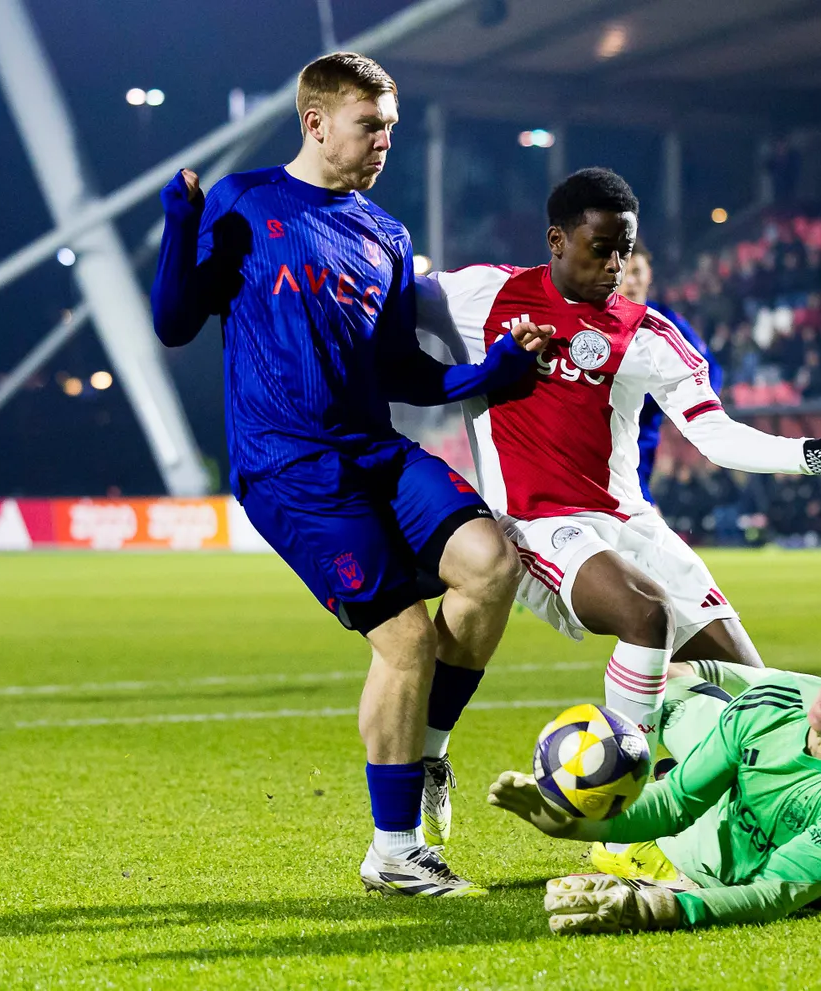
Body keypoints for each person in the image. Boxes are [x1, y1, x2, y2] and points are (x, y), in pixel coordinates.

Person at [149, 53, 554, 897]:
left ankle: (427, 752)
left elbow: (402, 368)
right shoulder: (243, 202)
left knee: (491, 563)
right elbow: (176, 322)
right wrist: (179, 224)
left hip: (373, 446)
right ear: (316, 121)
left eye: (391, 128)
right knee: (405, 636)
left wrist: (495, 374)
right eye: (371, 125)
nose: (384, 142)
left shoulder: (387, 235)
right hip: (288, 463)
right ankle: (395, 850)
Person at [420, 167, 821, 748]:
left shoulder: (648, 332)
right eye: (601, 250)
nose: (615, 267)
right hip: (539, 524)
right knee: (645, 616)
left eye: (624, 252)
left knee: (756, 690)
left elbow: (714, 435)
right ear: (557, 241)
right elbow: (384, 297)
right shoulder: (483, 294)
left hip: (631, 524)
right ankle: (633, 794)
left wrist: (812, 454)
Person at [486, 623, 821, 934]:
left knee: (628, 855)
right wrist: (570, 824)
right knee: (670, 698)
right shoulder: (779, 700)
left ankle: (679, 841)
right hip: (742, 760)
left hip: (789, 868)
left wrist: (658, 906)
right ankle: (679, 762)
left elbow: (774, 893)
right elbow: (675, 802)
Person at [619, 247, 721, 502]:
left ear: (649, 274)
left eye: (637, 271)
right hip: (598, 433)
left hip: (641, 436)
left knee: (636, 503)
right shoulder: (594, 320)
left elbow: (708, 368)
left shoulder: (664, 321)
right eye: (624, 272)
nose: (631, 280)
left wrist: (688, 410)